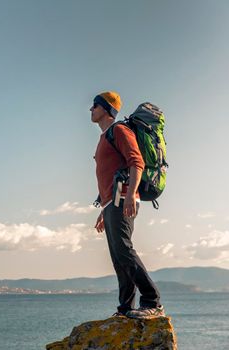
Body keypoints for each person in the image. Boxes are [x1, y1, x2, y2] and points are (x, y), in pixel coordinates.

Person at [91, 91, 164, 319]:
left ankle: (152, 301)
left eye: (95, 105)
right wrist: (104, 209)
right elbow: (109, 173)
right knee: (117, 256)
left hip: (123, 198)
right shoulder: (104, 137)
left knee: (124, 250)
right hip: (112, 202)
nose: (90, 109)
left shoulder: (119, 130)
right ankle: (125, 308)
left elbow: (136, 162)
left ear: (106, 108)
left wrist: (131, 194)